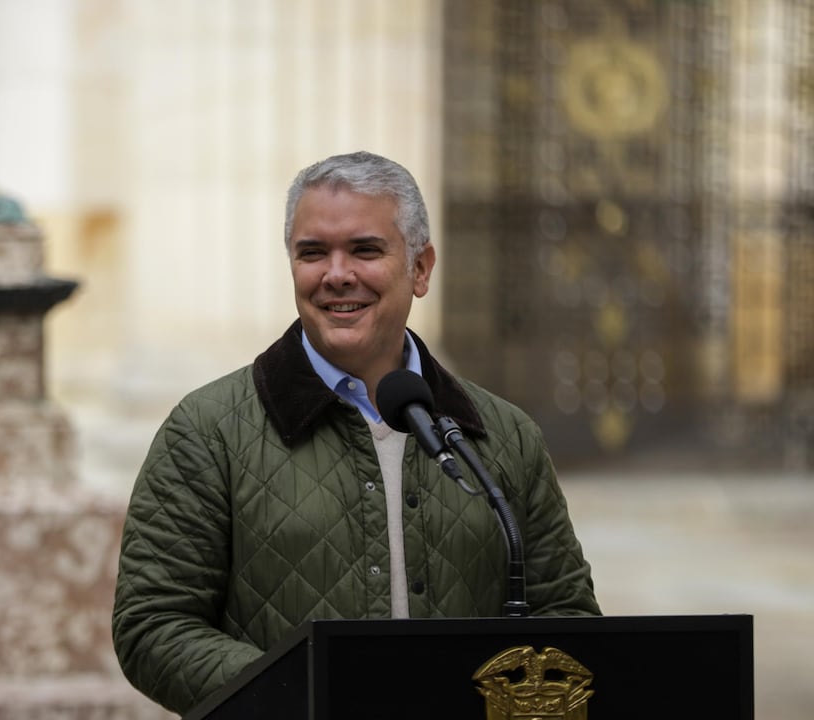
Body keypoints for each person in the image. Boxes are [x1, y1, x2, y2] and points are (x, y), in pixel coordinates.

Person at [111, 151, 600, 715]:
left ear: (420, 268)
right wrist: (309, 697)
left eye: (365, 250)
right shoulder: (207, 431)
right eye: (313, 253)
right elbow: (153, 626)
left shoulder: (505, 434)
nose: (337, 274)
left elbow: (568, 619)